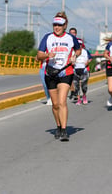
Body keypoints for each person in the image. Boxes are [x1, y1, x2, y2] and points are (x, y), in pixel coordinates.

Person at [37, 12, 81, 141]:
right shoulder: (47, 38)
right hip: (50, 73)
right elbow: (38, 55)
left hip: (65, 72)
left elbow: (78, 49)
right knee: (55, 104)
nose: (57, 27)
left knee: (62, 102)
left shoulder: (70, 38)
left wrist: (75, 55)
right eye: (55, 25)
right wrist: (47, 56)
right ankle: (58, 126)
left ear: (65, 25)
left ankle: (64, 130)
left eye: (59, 25)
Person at [73, 39, 93, 105]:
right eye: (78, 45)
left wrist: (87, 62)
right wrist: (72, 62)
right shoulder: (73, 52)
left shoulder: (85, 51)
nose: (79, 46)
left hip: (84, 69)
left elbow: (89, 59)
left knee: (84, 85)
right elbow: (71, 59)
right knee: (76, 85)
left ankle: (84, 96)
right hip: (75, 69)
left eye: (80, 45)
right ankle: (79, 99)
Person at [68, 27, 79, 100]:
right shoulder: (66, 41)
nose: (72, 34)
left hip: (78, 63)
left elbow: (81, 51)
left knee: (77, 79)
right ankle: (73, 91)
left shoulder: (78, 41)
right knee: (70, 78)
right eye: (70, 33)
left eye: (73, 33)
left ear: (76, 34)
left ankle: (76, 92)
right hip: (69, 63)